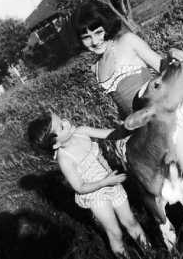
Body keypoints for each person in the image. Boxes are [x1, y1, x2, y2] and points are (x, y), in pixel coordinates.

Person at [70, 1, 183, 209]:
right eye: (86, 37)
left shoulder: (127, 41)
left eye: (98, 32)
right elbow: (122, 103)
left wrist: (172, 56)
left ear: (107, 26)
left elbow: (160, 65)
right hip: (147, 130)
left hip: (167, 115)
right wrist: (125, 130)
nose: (95, 41)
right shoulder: (95, 68)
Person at [27, 110, 149, 258]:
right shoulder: (65, 159)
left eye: (62, 119)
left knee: (130, 220)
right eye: (62, 127)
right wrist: (105, 182)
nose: (66, 121)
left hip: (113, 183)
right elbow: (79, 187)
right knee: (115, 232)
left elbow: (114, 134)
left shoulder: (82, 132)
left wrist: (131, 127)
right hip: (95, 195)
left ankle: (150, 252)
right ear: (56, 144)